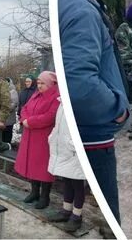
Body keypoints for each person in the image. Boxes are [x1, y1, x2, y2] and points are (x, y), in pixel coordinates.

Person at [58, 0, 129, 225]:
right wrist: (116, 108)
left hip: (84, 129)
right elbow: (80, 85)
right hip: (92, 133)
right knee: (109, 215)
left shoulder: (65, 2)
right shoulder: (81, 11)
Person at [15, 71, 61, 209]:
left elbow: (50, 116)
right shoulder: (36, 94)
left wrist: (31, 122)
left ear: (51, 84)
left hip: (43, 138)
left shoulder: (56, 97)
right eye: (39, 83)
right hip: (30, 135)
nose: (39, 86)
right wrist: (24, 120)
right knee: (32, 164)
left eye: (43, 84)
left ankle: (44, 196)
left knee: (43, 167)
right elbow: (25, 108)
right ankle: (34, 191)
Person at [47, 97, 86, 232]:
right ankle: (66, 210)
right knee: (67, 180)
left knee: (77, 182)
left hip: (74, 150)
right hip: (64, 148)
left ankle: (77, 215)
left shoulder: (79, 101)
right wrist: (53, 137)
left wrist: (74, 143)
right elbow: (58, 125)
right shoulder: (62, 102)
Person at [3, 77, 19, 145]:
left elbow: (14, 103)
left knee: (8, 131)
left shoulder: (13, 91)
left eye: (6, 82)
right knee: (2, 132)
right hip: (2, 116)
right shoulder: (2, 90)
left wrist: (5, 108)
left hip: (9, 116)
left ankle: (8, 145)